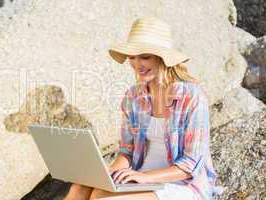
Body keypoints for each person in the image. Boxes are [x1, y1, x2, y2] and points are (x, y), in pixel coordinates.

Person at [64, 17, 217, 200]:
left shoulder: (192, 97)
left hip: (181, 185)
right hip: (141, 177)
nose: (137, 64)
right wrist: (108, 173)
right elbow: (127, 151)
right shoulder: (133, 97)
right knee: (81, 189)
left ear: (163, 59)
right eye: (132, 57)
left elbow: (190, 165)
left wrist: (144, 177)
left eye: (145, 57)